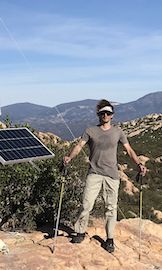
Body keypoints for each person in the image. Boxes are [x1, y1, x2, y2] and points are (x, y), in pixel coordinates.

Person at [62, 99, 147, 253]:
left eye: (108, 113)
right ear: (98, 115)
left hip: (112, 175)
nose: (105, 115)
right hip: (94, 172)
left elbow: (129, 150)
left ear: (112, 115)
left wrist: (139, 164)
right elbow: (79, 146)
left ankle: (110, 239)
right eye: (102, 113)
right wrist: (70, 157)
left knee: (111, 208)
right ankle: (80, 232)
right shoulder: (90, 131)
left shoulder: (118, 132)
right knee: (86, 204)